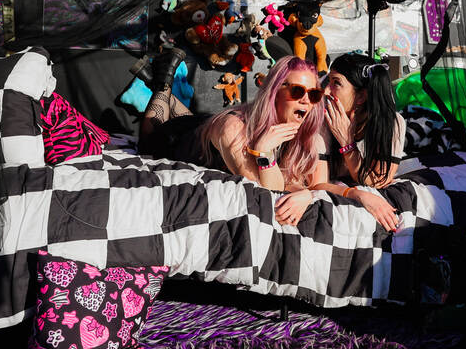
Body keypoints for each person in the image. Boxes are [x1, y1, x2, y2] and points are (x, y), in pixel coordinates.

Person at [135, 52, 329, 224]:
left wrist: (307, 194)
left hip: (203, 125)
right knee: (150, 139)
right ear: (274, 91)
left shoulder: (301, 132)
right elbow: (267, 192)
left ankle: (154, 82)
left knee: (192, 119)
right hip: (177, 140)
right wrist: (265, 153)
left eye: (314, 94)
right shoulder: (233, 129)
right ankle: (162, 84)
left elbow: (299, 183)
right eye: (297, 91)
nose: (306, 100)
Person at [309, 52, 407, 232]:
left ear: (361, 97)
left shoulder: (391, 123)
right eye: (329, 80)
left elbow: (377, 182)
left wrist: (346, 142)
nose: (326, 90)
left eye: (336, 83)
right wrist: (355, 193)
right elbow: (317, 184)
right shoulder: (324, 118)